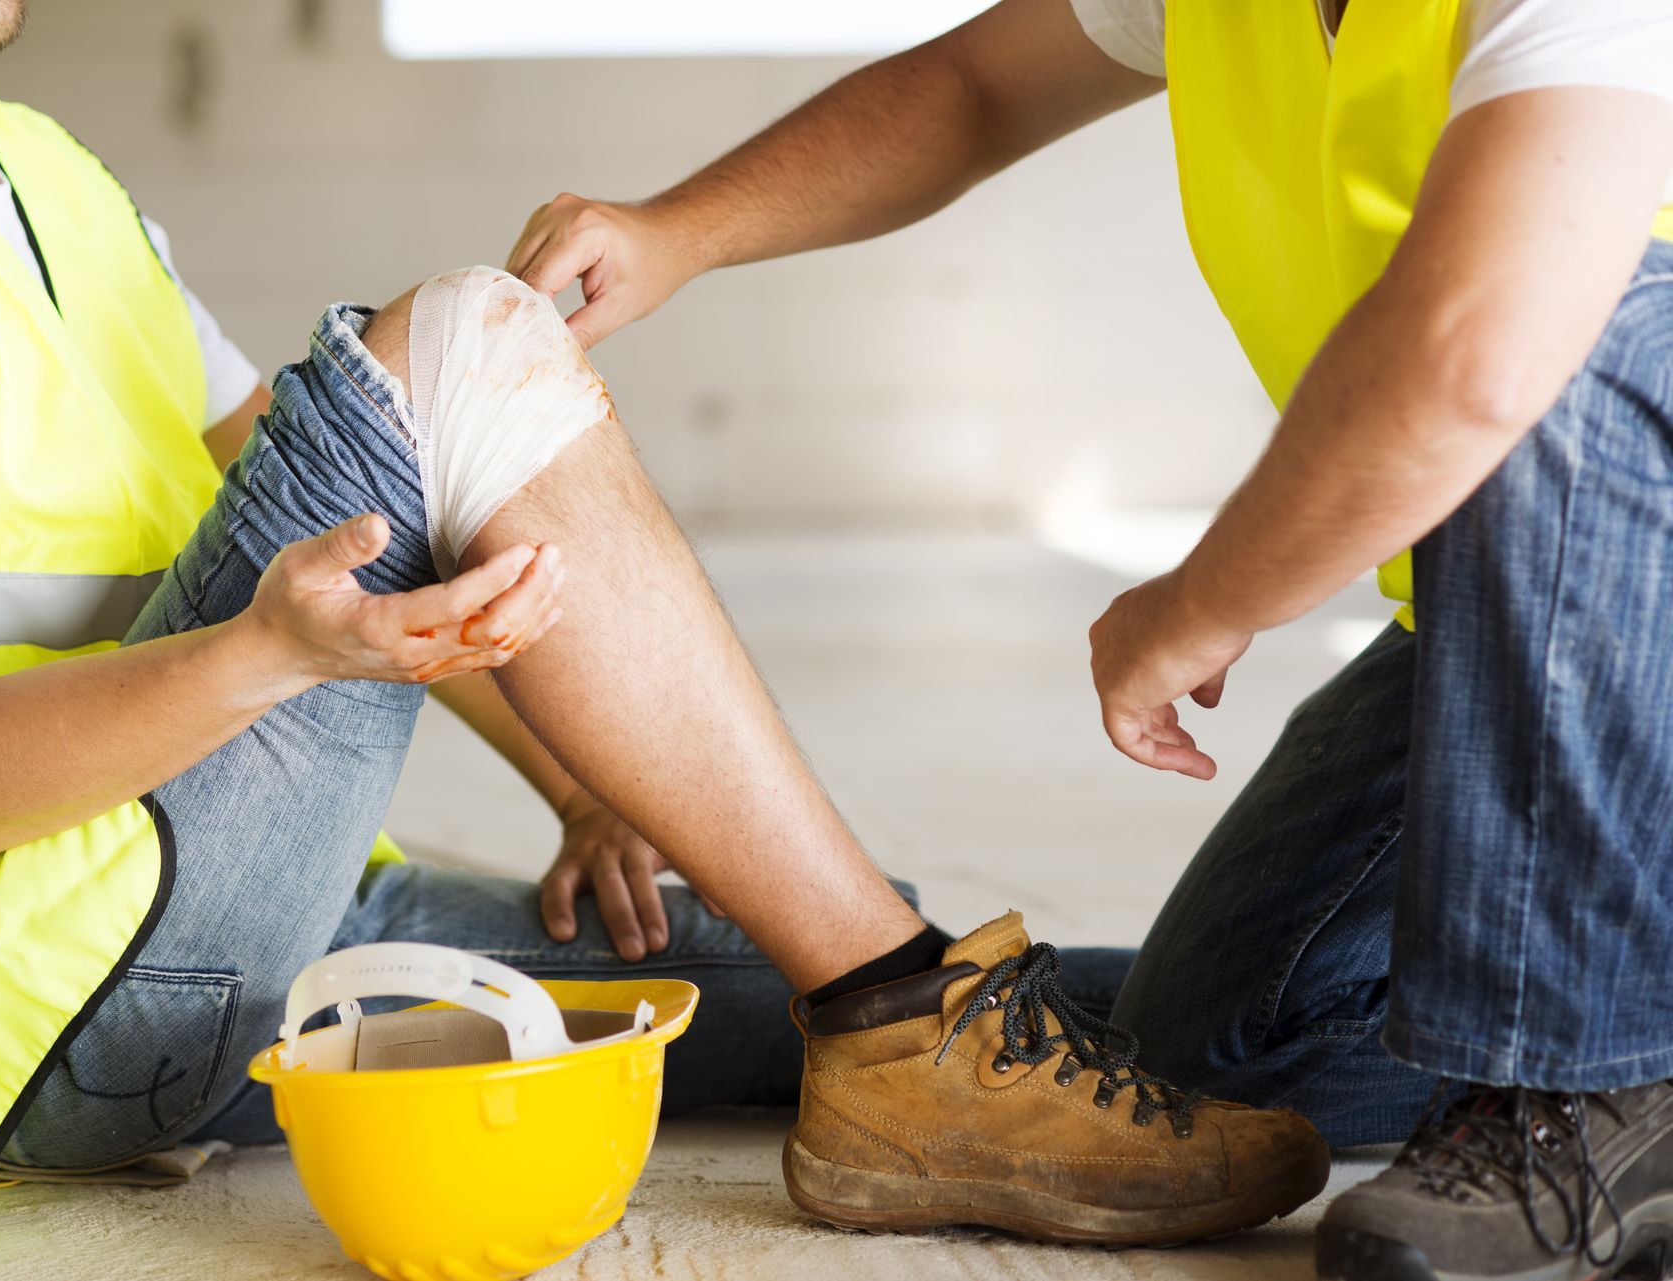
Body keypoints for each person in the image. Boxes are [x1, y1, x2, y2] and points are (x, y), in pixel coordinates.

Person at [0, 0, 1327, 1246]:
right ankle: (906, 1010)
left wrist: (585, 787)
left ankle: (1489, 1083)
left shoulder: (50, 183)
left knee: (1041, 1005)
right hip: (17, 1021)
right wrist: (264, 657)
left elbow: (342, 493)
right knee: (459, 337)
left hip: (208, 924)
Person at [509, 0, 1673, 1276]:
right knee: (1213, 1054)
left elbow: (1483, 356)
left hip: (1634, 583)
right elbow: (973, 88)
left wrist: (1209, 595)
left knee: (1573, 308)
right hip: (1514, 614)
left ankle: (1579, 1083)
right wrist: (677, 232)